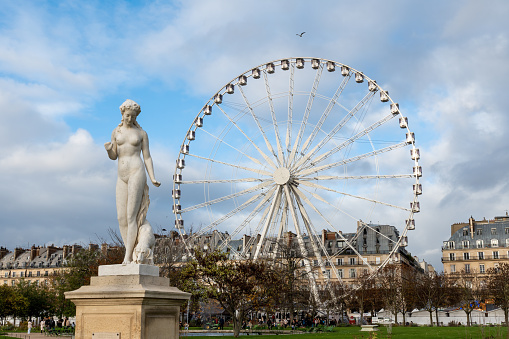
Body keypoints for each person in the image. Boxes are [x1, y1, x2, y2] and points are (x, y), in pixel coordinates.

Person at [105, 99, 160, 264]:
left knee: (132, 216)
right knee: (121, 217)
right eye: (127, 115)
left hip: (137, 171)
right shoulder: (116, 132)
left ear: (136, 117)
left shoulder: (141, 134)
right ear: (122, 114)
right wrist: (109, 150)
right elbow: (114, 156)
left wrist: (152, 177)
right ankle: (131, 250)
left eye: (132, 116)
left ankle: (128, 257)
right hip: (121, 175)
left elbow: (147, 156)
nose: (129, 118)